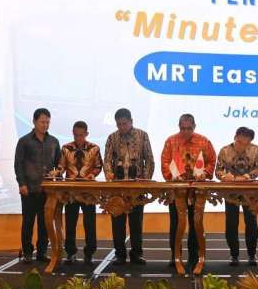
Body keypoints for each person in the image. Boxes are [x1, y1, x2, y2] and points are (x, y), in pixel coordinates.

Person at [161, 113, 216, 268]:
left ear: (194, 127)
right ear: (179, 127)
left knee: (195, 223)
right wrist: (173, 175)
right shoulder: (171, 141)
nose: (186, 131)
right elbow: (165, 162)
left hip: (196, 191)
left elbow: (212, 160)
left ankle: (194, 257)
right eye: (183, 128)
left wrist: (205, 173)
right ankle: (175, 256)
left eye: (189, 128)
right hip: (176, 190)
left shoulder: (204, 141)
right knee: (175, 223)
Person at [103, 108, 155, 265]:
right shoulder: (112, 138)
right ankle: (119, 254)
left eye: (124, 123)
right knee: (117, 223)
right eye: (119, 124)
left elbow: (149, 160)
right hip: (117, 188)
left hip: (136, 187)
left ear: (131, 121)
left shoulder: (142, 135)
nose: (122, 127)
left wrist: (145, 181)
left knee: (136, 223)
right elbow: (107, 160)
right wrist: (109, 175)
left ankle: (136, 254)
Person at [14, 107, 61, 264]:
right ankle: (27, 252)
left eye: (48, 122)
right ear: (34, 121)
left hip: (47, 190)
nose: (45, 125)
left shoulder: (54, 141)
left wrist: (58, 172)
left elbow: (59, 164)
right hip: (29, 188)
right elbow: (18, 164)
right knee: (28, 222)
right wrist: (21, 183)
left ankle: (42, 252)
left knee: (45, 223)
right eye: (42, 122)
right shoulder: (24, 141)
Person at [215, 126, 258, 267]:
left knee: (251, 222)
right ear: (235, 137)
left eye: (246, 143)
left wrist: (248, 176)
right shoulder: (225, 150)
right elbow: (218, 171)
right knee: (231, 222)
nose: (242, 146)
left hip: (250, 191)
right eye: (240, 142)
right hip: (231, 191)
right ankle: (234, 254)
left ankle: (252, 254)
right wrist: (224, 176)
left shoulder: (255, 149)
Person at [58, 121, 102, 265]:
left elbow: (98, 166)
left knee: (90, 223)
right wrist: (58, 172)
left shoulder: (94, 148)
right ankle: (70, 253)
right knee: (70, 223)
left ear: (86, 134)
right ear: (73, 133)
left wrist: (92, 175)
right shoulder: (65, 148)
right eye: (76, 135)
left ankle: (89, 253)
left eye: (81, 135)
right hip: (70, 192)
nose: (78, 138)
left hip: (89, 191)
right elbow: (61, 166)